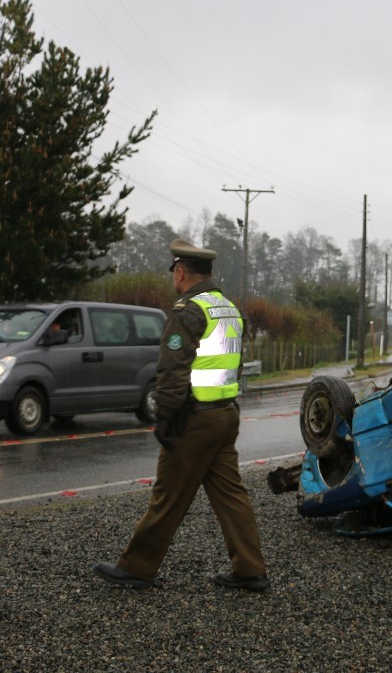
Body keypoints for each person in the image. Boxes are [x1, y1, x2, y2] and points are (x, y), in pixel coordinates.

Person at [93, 238, 269, 591]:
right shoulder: (228, 308)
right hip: (225, 414)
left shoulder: (188, 310)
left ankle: (137, 568)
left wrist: (165, 416)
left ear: (180, 271)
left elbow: (173, 371)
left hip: (194, 419)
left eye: (174, 273)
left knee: (168, 495)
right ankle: (250, 569)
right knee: (231, 495)